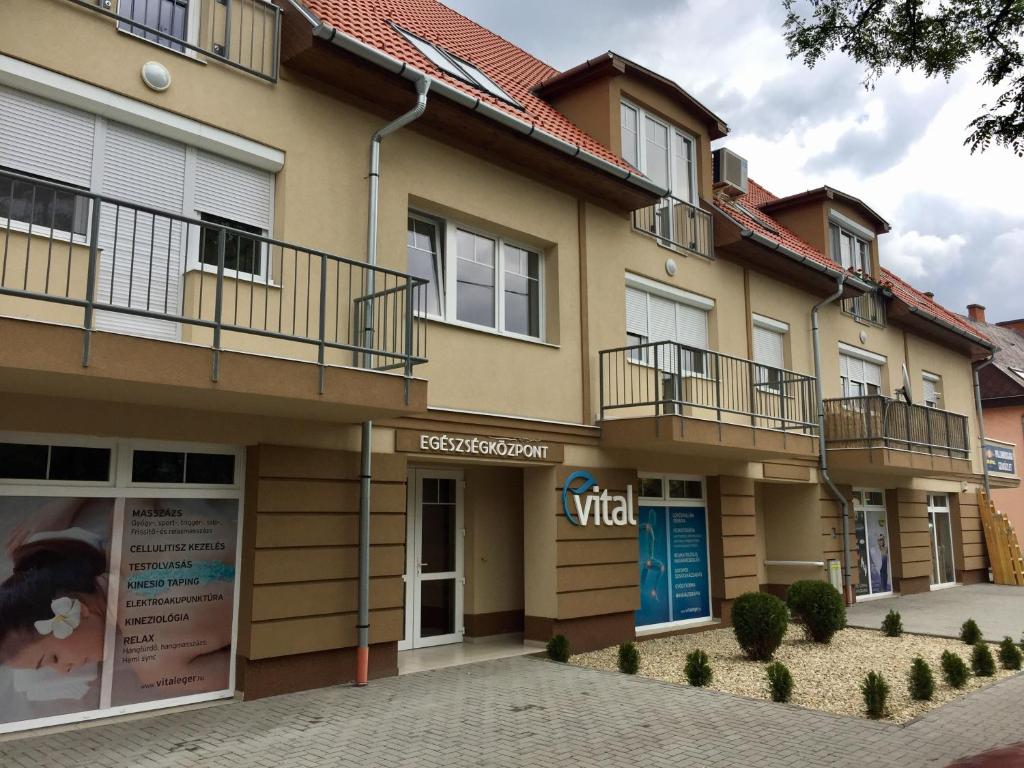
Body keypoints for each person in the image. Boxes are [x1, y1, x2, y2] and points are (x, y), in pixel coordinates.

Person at [0, 499, 235, 697]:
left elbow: (256, 678)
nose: (63, 671)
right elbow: (141, 463)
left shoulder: (154, 662)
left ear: (76, 610)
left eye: (52, 658)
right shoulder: (126, 521)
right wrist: (62, 503)